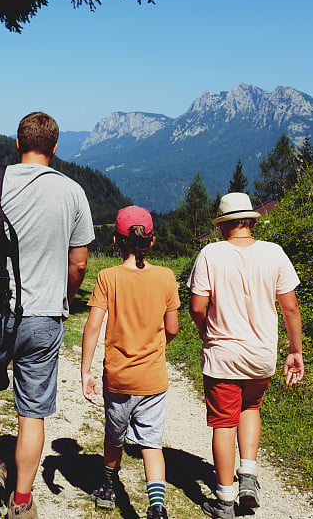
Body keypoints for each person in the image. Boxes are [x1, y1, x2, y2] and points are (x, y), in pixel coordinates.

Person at [0, 112, 95, 519]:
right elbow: (80, 262)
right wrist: (64, 297)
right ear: (55, 148)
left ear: (17, 144)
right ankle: (21, 501)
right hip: (44, 316)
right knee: (32, 412)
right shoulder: (72, 192)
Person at [187, 192, 305, 519]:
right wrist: (295, 350)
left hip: (223, 355)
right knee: (251, 406)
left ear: (224, 225)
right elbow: (291, 307)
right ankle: (248, 476)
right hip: (261, 354)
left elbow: (197, 306)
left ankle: (224, 500)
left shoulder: (211, 254)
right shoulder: (274, 253)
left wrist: (205, 329)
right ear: (251, 222)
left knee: (224, 423)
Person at [81, 205, 180, 519]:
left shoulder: (108, 277)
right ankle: (157, 507)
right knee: (151, 444)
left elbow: (93, 326)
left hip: (119, 379)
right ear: (151, 241)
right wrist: (157, 346)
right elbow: (173, 327)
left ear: (115, 241)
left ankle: (109, 489)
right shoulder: (166, 276)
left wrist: (85, 372)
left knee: (115, 437)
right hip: (153, 380)